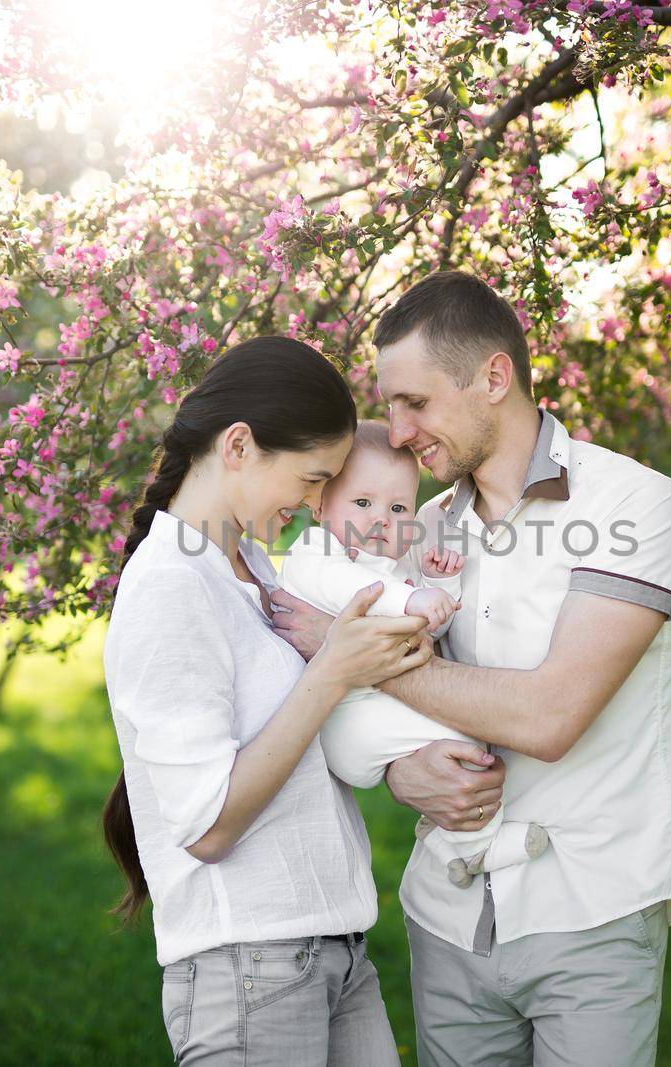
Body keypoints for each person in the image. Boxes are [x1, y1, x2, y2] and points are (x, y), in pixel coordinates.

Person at [271, 272, 671, 1066]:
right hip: (450, 911)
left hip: (593, 909)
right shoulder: (416, 528)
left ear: (494, 378)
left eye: (416, 403)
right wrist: (403, 772)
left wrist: (347, 648)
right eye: (389, 406)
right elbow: (380, 720)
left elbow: (549, 716)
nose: (395, 433)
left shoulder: (632, 507)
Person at [100, 336, 434, 1065]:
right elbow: (209, 826)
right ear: (240, 446)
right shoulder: (169, 585)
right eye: (314, 478)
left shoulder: (248, 562)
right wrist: (330, 674)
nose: (320, 503)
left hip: (333, 948)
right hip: (247, 965)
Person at [278, 420, 551, 889]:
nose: (382, 519)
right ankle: (478, 846)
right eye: (362, 503)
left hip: (376, 703)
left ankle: (453, 843)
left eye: (399, 507)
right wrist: (409, 598)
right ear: (321, 505)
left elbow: (427, 627)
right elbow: (349, 591)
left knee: (463, 731)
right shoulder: (315, 551)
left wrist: (438, 585)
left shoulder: (393, 563)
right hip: (343, 718)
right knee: (458, 738)